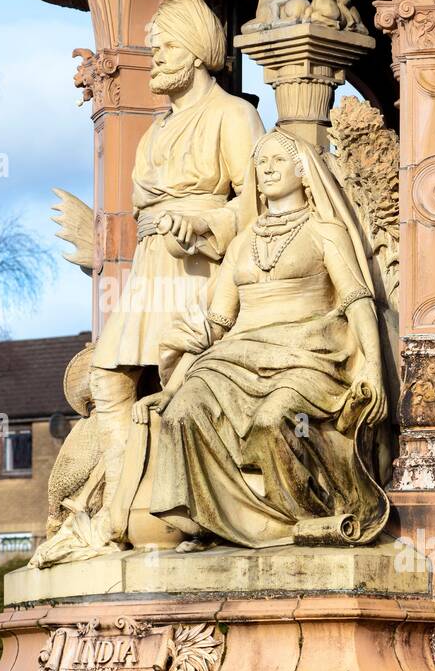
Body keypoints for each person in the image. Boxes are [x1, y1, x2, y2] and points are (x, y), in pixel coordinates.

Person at [132, 129, 390, 547]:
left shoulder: (325, 231)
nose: (266, 168)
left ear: (303, 171)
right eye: (261, 162)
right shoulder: (241, 243)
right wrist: (174, 385)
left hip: (308, 358)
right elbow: (217, 323)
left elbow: (359, 302)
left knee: (274, 420)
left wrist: (374, 371)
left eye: (277, 160)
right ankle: (216, 524)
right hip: (236, 357)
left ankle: (304, 521)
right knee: (181, 413)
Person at [88, 0, 263, 538]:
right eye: (153, 47)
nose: (155, 57)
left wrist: (204, 222)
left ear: (193, 52)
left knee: (180, 380)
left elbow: (258, 204)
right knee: (108, 377)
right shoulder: (155, 130)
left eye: (164, 47)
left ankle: (195, 506)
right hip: (151, 269)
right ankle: (123, 494)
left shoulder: (234, 115)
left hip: (200, 270)